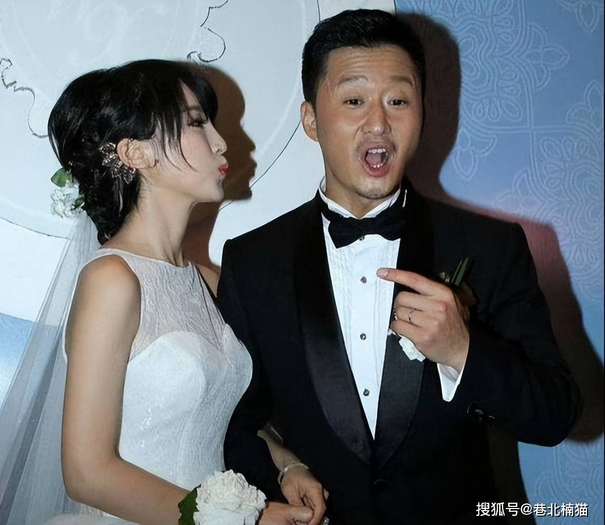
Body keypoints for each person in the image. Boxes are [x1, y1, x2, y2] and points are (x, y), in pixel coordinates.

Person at [218, 10, 582, 525]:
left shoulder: (490, 246)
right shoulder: (253, 261)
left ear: (422, 113)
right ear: (311, 120)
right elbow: (235, 426)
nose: (378, 123)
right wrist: (284, 471)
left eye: (398, 100)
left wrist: (462, 349)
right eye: (353, 100)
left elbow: (555, 415)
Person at [0, 60, 324, 525]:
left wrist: (287, 464)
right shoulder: (112, 279)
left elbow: (220, 416)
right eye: (196, 122)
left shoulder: (207, 281)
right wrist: (239, 520)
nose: (220, 142)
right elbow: (87, 474)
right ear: (135, 153)